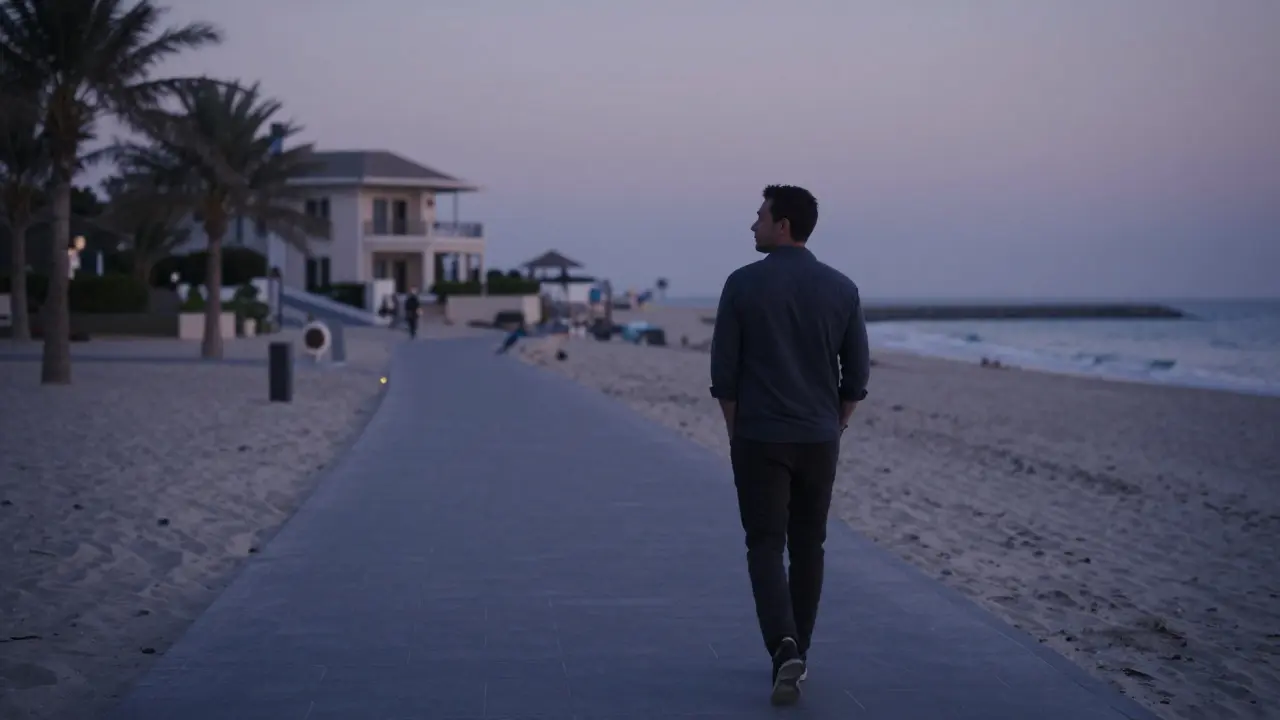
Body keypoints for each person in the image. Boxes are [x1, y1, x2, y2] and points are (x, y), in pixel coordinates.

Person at [709, 185, 870, 706]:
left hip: (759, 435)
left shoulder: (742, 283)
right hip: (819, 438)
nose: (751, 225)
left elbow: (723, 373)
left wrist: (736, 431)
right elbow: (857, 375)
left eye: (759, 217)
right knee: (808, 545)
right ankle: (799, 648)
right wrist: (836, 423)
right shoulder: (842, 288)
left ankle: (783, 648)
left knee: (764, 543)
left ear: (782, 225)